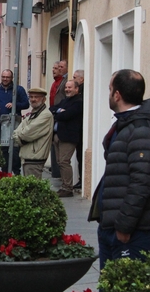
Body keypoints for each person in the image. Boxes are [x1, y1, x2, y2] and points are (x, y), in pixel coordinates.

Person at [90, 69, 150, 270]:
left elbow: (142, 182)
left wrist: (124, 226)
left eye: (109, 89)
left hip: (130, 232)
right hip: (111, 225)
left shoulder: (140, 129)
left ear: (117, 95)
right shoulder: (124, 124)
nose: (109, 94)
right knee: (110, 290)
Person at [0, 69, 29, 175]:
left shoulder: (18, 90)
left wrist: (14, 105)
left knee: (15, 148)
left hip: (15, 123)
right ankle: (4, 173)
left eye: (7, 77)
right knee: (3, 149)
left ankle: (16, 172)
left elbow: (26, 104)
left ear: (12, 78)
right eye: (3, 77)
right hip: (2, 124)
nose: (5, 79)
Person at [50, 80, 83, 197]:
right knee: (60, 162)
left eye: (70, 87)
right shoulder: (64, 101)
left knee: (64, 161)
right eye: (66, 87)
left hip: (69, 137)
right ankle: (64, 186)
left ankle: (68, 188)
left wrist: (58, 113)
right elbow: (51, 109)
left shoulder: (78, 102)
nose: (67, 89)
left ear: (76, 89)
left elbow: (67, 115)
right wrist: (59, 111)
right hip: (58, 135)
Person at [12, 88, 53, 179]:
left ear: (44, 99)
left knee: (33, 189)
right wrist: (19, 135)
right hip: (28, 156)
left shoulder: (45, 115)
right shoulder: (34, 113)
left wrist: (20, 137)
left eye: (36, 97)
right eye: (31, 97)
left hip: (35, 158)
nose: (33, 99)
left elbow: (26, 134)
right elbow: (16, 132)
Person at [72, 70, 85, 189]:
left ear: (82, 79)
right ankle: (80, 179)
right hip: (79, 128)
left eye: (75, 77)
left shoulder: (82, 92)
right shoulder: (80, 91)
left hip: (80, 127)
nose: (73, 79)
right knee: (79, 155)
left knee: (80, 155)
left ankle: (82, 179)